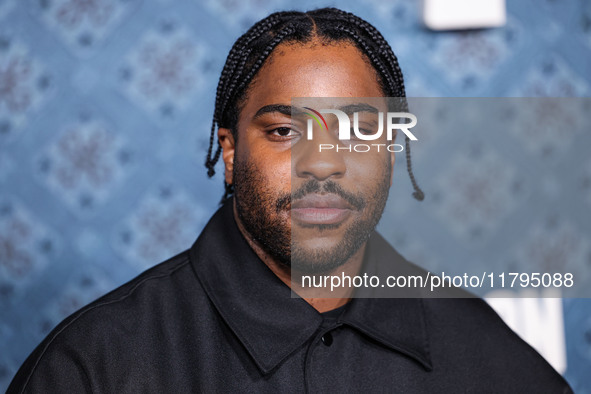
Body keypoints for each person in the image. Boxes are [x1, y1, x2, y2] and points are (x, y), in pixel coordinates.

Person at [8, 8, 572, 393]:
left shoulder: (484, 354)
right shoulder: (95, 366)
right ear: (230, 152)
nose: (324, 161)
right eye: (284, 131)